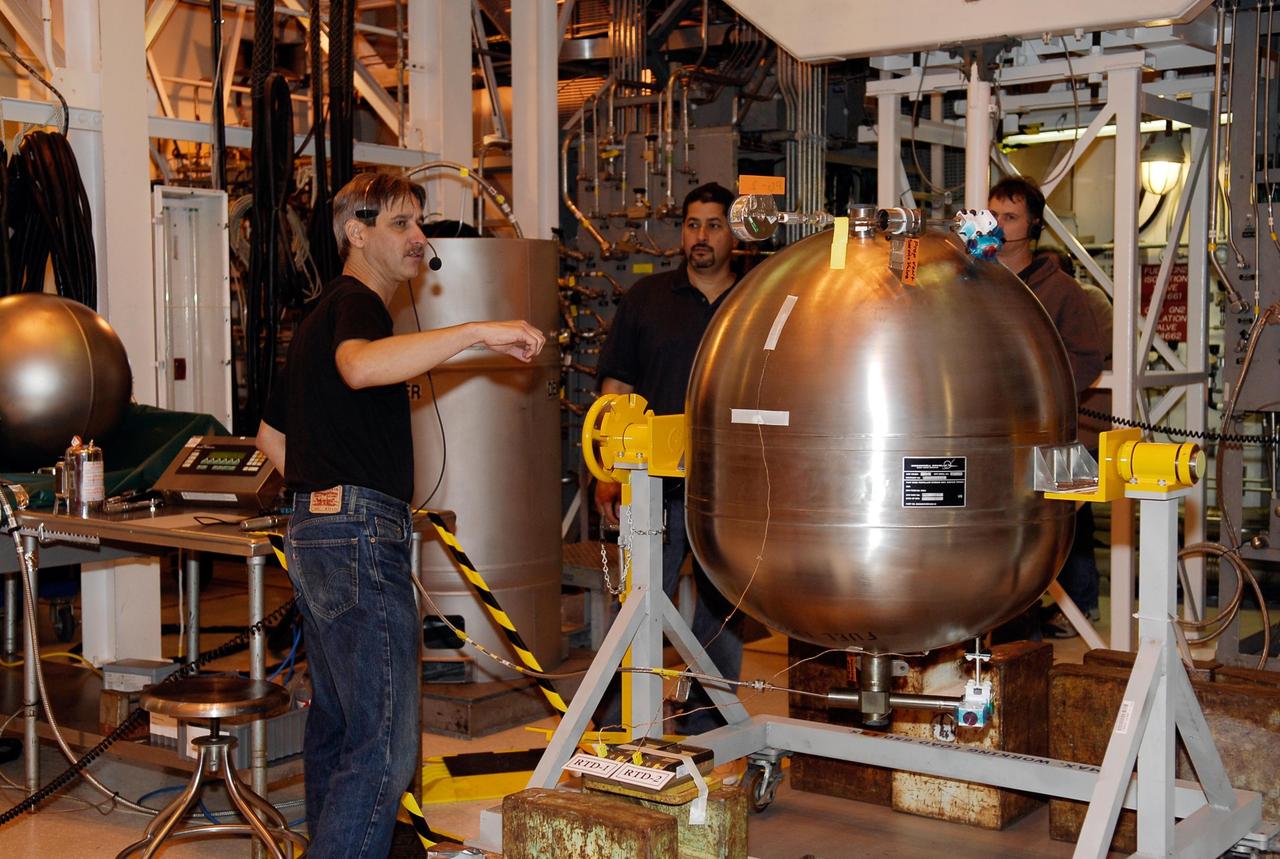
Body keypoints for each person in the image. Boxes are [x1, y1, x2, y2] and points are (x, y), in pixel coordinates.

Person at [256, 172, 544, 857]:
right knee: (384, 747)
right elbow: (359, 369)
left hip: (316, 532)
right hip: (356, 534)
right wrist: (478, 329)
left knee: (339, 729)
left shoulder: (318, 314)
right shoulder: (357, 307)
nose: (420, 237)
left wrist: (323, 493)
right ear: (357, 233)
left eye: (421, 223)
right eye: (400, 224)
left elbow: (272, 437)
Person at [593, 181, 743, 734]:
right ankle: (614, 724)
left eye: (714, 225)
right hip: (651, 487)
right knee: (633, 608)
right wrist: (609, 470)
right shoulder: (647, 299)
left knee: (723, 613)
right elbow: (616, 387)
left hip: (728, 490)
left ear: (735, 235)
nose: (700, 237)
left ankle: (709, 728)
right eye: (692, 224)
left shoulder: (753, 300)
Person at [988, 177, 1105, 640]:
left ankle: (1077, 609)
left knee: (1067, 528)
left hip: (1058, 431)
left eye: (1010, 217)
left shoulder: (1060, 291)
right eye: (993, 214)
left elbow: (1087, 358)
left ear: (1033, 224)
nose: (998, 225)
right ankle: (1015, 629)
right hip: (996, 436)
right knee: (1007, 541)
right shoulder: (978, 279)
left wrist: (1040, 398)